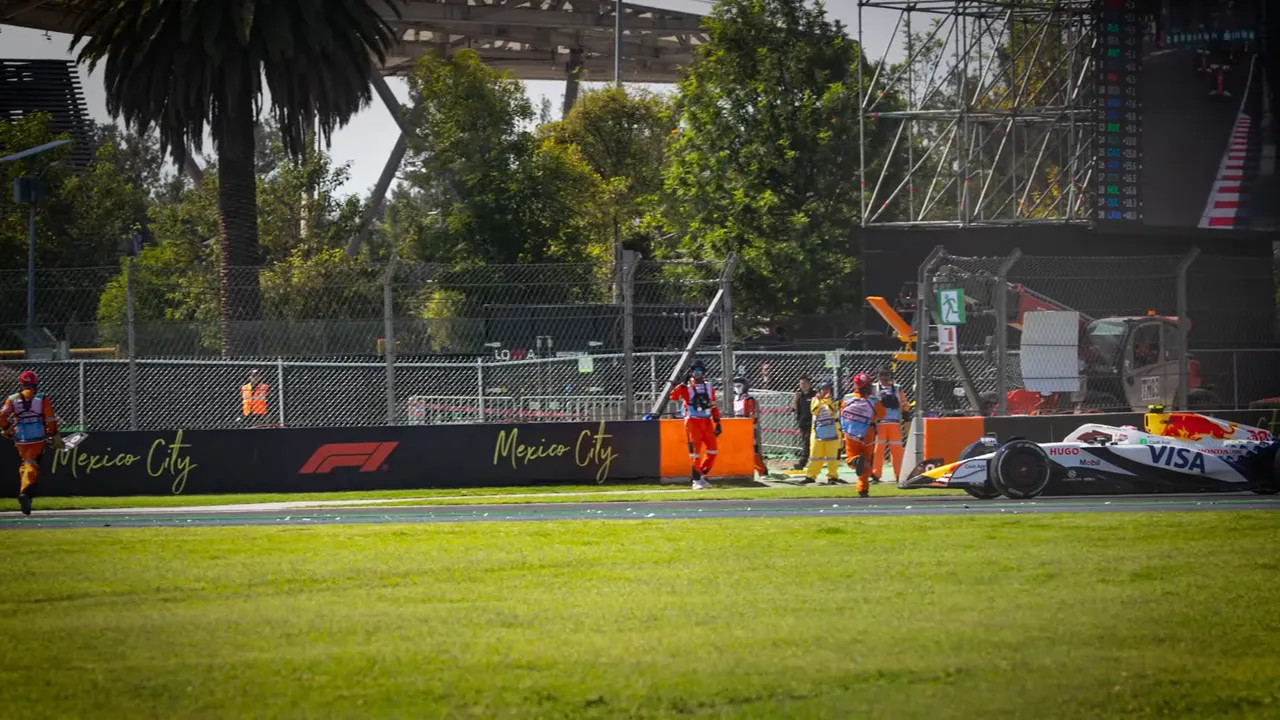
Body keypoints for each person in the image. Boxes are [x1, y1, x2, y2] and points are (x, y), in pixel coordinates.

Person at [0, 371, 64, 516]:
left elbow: (2, 414)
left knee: (26, 462)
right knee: (32, 464)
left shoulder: (12, 399)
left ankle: (26, 495)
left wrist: (6, 428)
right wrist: (54, 434)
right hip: (37, 437)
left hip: (20, 437)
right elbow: (50, 418)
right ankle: (26, 492)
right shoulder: (42, 398)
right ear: (35, 384)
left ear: (21, 384)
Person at [669, 360, 722, 490]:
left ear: (703, 373)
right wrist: (681, 384)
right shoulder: (686, 387)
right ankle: (696, 480)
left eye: (699, 371)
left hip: (707, 421)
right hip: (693, 421)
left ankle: (701, 475)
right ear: (691, 372)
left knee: (713, 450)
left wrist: (717, 422)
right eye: (694, 371)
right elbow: (673, 397)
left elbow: (713, 405)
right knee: (695, 453)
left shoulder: (709, 387)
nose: (697, 373)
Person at [841, 372, 886, 498]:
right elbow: (882, 415)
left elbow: (842, 413)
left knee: (851, 456)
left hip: (850, 433)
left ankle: (854, 461)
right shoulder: (874, 400)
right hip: (868, 433)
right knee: (866, 461)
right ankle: (862, 489)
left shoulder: (847, 398)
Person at [798, 381, 843, 485]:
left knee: (832, 456)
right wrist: (819, 401)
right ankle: (811, 476)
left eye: (827, 389)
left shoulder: (835, 400)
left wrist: (827, 400)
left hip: (833, 432)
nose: (825, 391)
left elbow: (833, 410)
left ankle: (832, 476)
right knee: (815, 455)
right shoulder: (815, 400)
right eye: (823, 389)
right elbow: (814, 411)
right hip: (818, 432)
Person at [872, 367, 910, 483]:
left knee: (897, 450)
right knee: (878, 450)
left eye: (886, 374)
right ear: (878, 376)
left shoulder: (898, 389)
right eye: (882, 375)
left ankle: (899, 475)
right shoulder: (874, 388)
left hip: (894, 424)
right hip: (880, 425)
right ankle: (875, 475)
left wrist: (906, 417)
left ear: (890, 376)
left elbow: (904, 404)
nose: (884, 377)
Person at [733, 375, 769, 479]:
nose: (737, 388)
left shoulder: (749, 399)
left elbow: (753, 414)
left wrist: (750, 424)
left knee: (753, 449)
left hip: (747, 426)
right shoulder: (733, 399)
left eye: (739, 386)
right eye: (735, 386)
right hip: (735, 425)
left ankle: (762, 471)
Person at [791, 376, 816, 470]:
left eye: (805, 383)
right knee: (805, 442)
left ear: (810, 384)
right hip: (803, 422)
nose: (803, 385)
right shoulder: (799, 395)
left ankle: (802, 463)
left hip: (814, 422)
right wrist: (795, 399)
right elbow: (793, 409)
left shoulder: (814, 395)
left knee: (809, 442)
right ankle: (804, 462)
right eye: (801, 384)